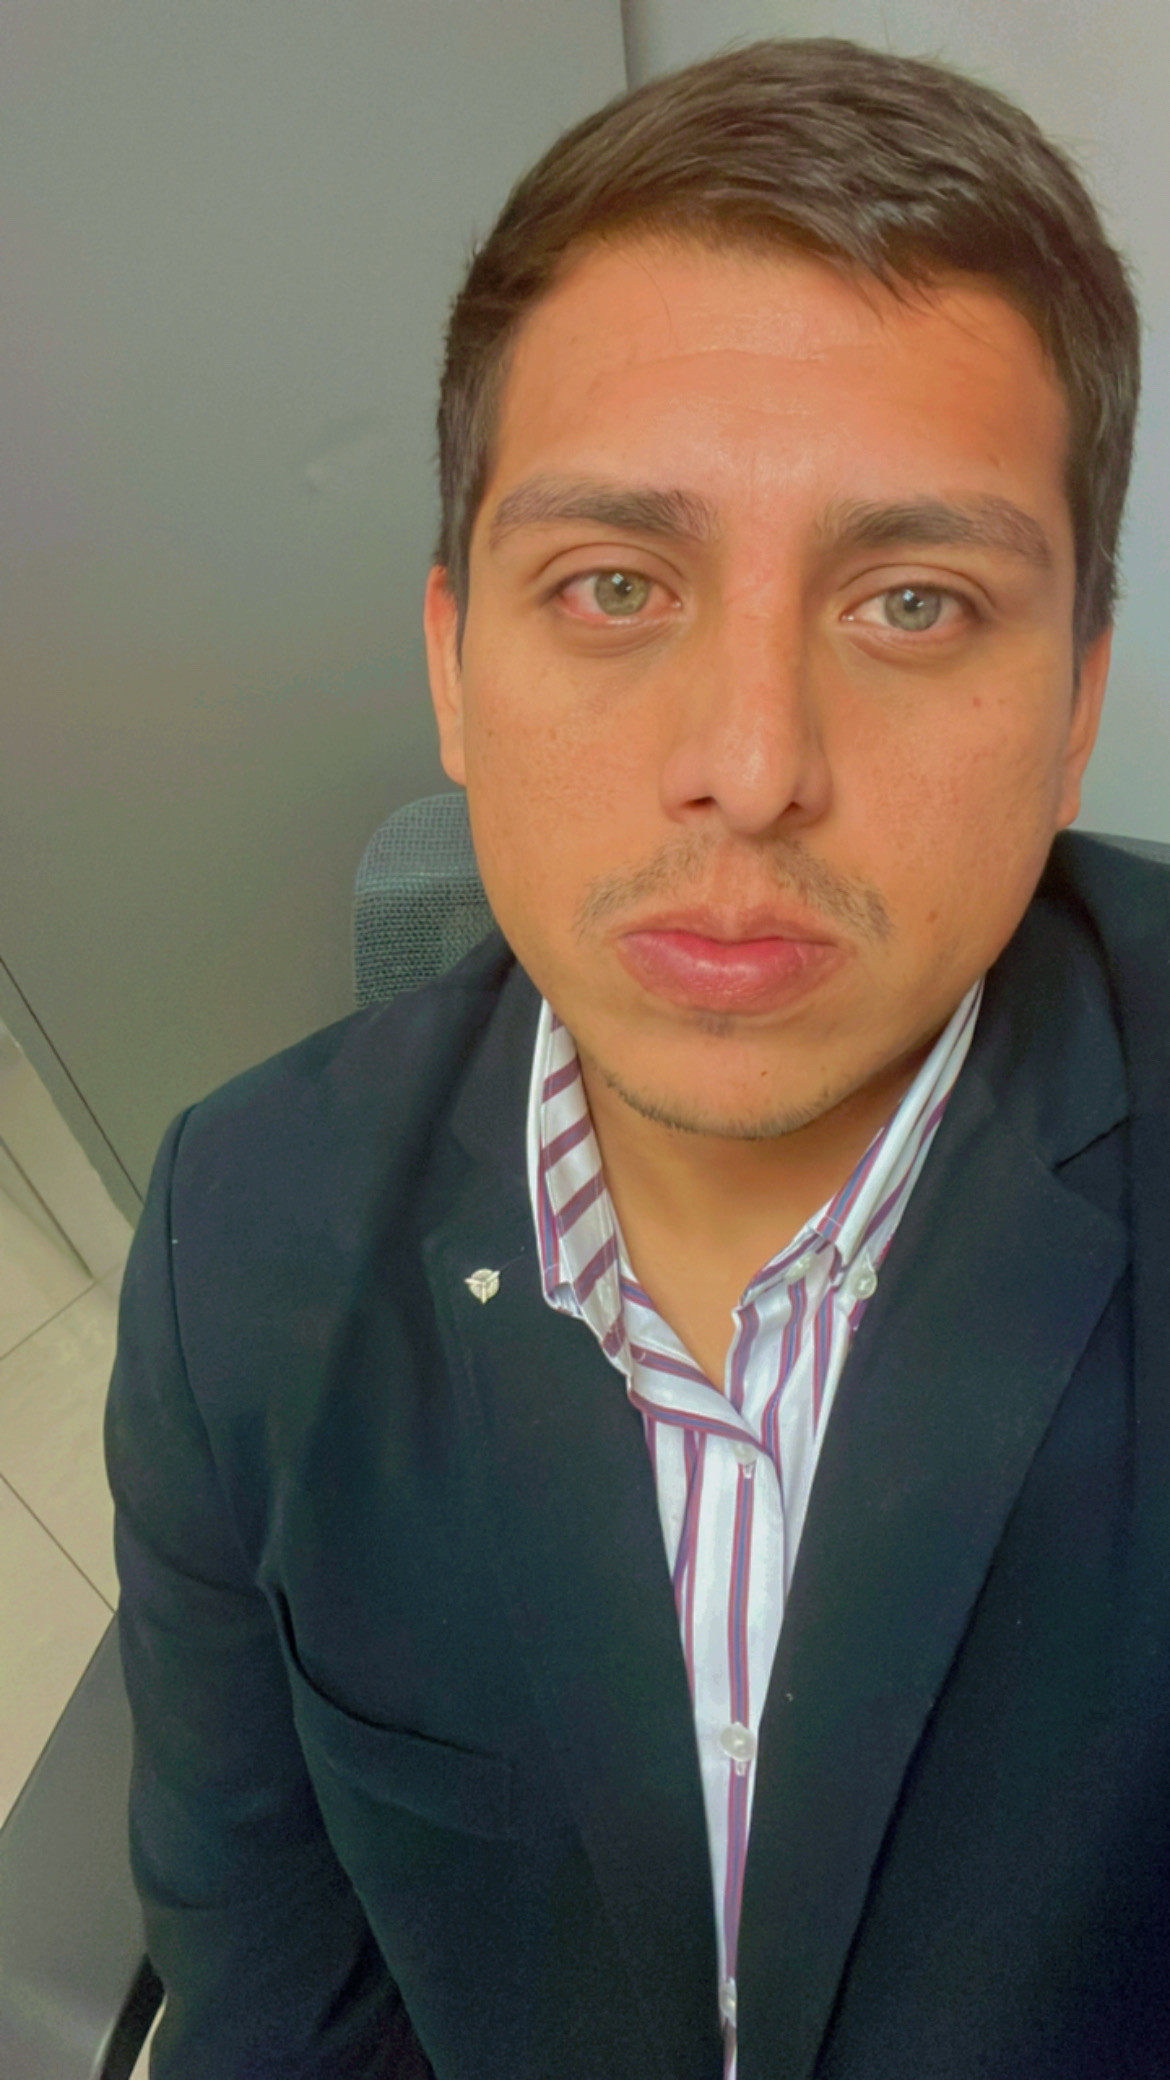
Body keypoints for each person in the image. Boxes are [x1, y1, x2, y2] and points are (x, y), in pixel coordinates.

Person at [104, 36, 1170, 2080]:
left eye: (914, 601)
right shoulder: (235, 1251)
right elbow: (277, 2007)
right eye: (612, 584)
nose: (750, 767)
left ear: (1072, 714)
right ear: (451, 663)